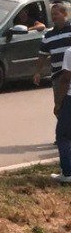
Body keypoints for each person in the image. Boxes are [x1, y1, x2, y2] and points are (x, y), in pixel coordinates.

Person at [35, 2, 71, 111]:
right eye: (52, 15)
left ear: (65, 14)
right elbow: (42, 55)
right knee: (59, 107)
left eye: (56, 14)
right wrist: (37, 72)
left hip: (70, 74)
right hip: (57, 76)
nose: (54, 17)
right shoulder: (48, 35)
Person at [53, 46, 71, 184]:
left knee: (63, 135)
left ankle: (67, 172)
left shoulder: (70, 52)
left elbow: (66, 78)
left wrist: (58, 103)